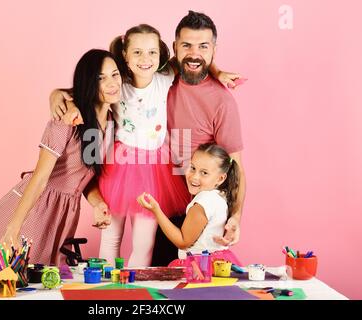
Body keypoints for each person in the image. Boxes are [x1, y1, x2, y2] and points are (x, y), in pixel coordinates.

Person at [48, 24, 239, 267]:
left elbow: (194, 57)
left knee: (144, 241)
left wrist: (218, 73)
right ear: (125, 56)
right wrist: (55, 93)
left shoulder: (165, 77)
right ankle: (107, 288)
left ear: (161, 55)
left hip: (154, 168)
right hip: (120, 165)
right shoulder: (117, 86)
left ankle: (133, 288)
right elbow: (81, 91)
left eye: (151, 52)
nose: (145, 59)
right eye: (137, 52)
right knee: (111, 235)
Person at [0, 49, 121, 299]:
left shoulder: (109, 122)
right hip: (33, 210)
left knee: (41, 292)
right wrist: (12, 229)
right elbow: (40, 178)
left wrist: (98, 202)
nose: (112, 83)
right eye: (101, 78)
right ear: (88, 83)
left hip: (62, 217)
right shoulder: (68, 119)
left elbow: (81, 176)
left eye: (115, 75)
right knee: (5, 291)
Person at [151, 10, 247, 266]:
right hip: (159, 203)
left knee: (199, 287)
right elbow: (110, 78)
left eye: (203, 46)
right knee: (156, 282)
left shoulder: (222, 101)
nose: (194, 54)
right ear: (175, 48)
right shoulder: (159, 81)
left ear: (214, 49)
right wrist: (60, 94)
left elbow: (235, 167)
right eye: (187, 45)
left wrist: (235, 217)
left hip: (198, 212)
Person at [137, 143, 242, 266]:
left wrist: (156, 211)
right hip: (215, 262)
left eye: (204, 173)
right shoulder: (220, 195)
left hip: (200, 266)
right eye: (192, 168)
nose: (194, 177)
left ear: (220, 178)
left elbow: (183, 241)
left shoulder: (202, 203)